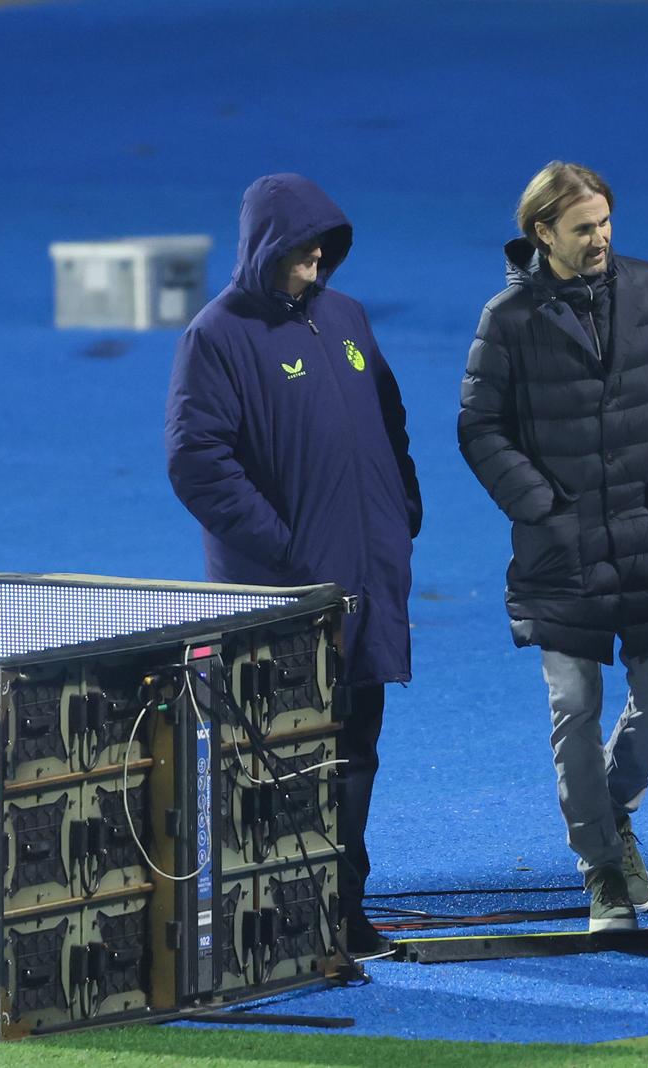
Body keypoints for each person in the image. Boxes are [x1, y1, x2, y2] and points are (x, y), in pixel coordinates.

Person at [165, 173, 422, 958]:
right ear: (264, 248)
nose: (316, 264)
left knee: (356, 753)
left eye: (324, 251)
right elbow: (195, 461)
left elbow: (390, 418)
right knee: (281, 761)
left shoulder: (345, 318)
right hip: (284, 597)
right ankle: (281, 923)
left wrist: (402, 511)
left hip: (368, 583)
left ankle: (342, 910)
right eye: (303, 252)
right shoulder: (217, 336)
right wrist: (282, 548)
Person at [459, 161, 648, 932]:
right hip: (559, 554)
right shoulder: (508, 319)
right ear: (542, 233)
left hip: (645, 535)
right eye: (582, 228)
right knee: (575, 708)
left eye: (605, 222)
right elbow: (479, 427)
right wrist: (543, 508)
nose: (600, 238)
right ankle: (601, 866)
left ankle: (612, 809)